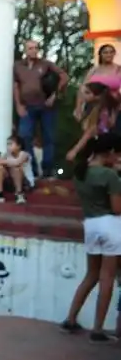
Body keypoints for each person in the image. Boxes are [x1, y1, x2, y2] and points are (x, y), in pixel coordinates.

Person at [60, 134, 121, 344]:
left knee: (91, 275)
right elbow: (117, 208)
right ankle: (98, 328)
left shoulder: (81, 172)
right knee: (107, 278)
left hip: (91, 225)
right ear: (111, 152)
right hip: (111, 225)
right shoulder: (109, 175)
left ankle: (70, 318)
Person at [14, 40, 68, 179]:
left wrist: (54, 95)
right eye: (30, 48)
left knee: (49, 137)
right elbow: (15, 86)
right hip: (27, 106)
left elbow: (64, 76)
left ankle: (47, 169)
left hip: (46, 106)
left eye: (36, 48)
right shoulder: (18, 66)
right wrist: (19, 105)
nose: (33, 50)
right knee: (24, 135)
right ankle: (33, 170)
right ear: (25, 50)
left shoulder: (46, 64)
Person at [0, 136, 32, 204]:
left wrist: (5, 162)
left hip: (25, 183)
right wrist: (6, 162)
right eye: (7, 144)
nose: (8, 146)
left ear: (19, 146)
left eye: (11, 144)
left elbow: (17, 162)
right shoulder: (5, 154)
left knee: (16, 168)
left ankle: (19, 194)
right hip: (10, 182)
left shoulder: (24, 154)